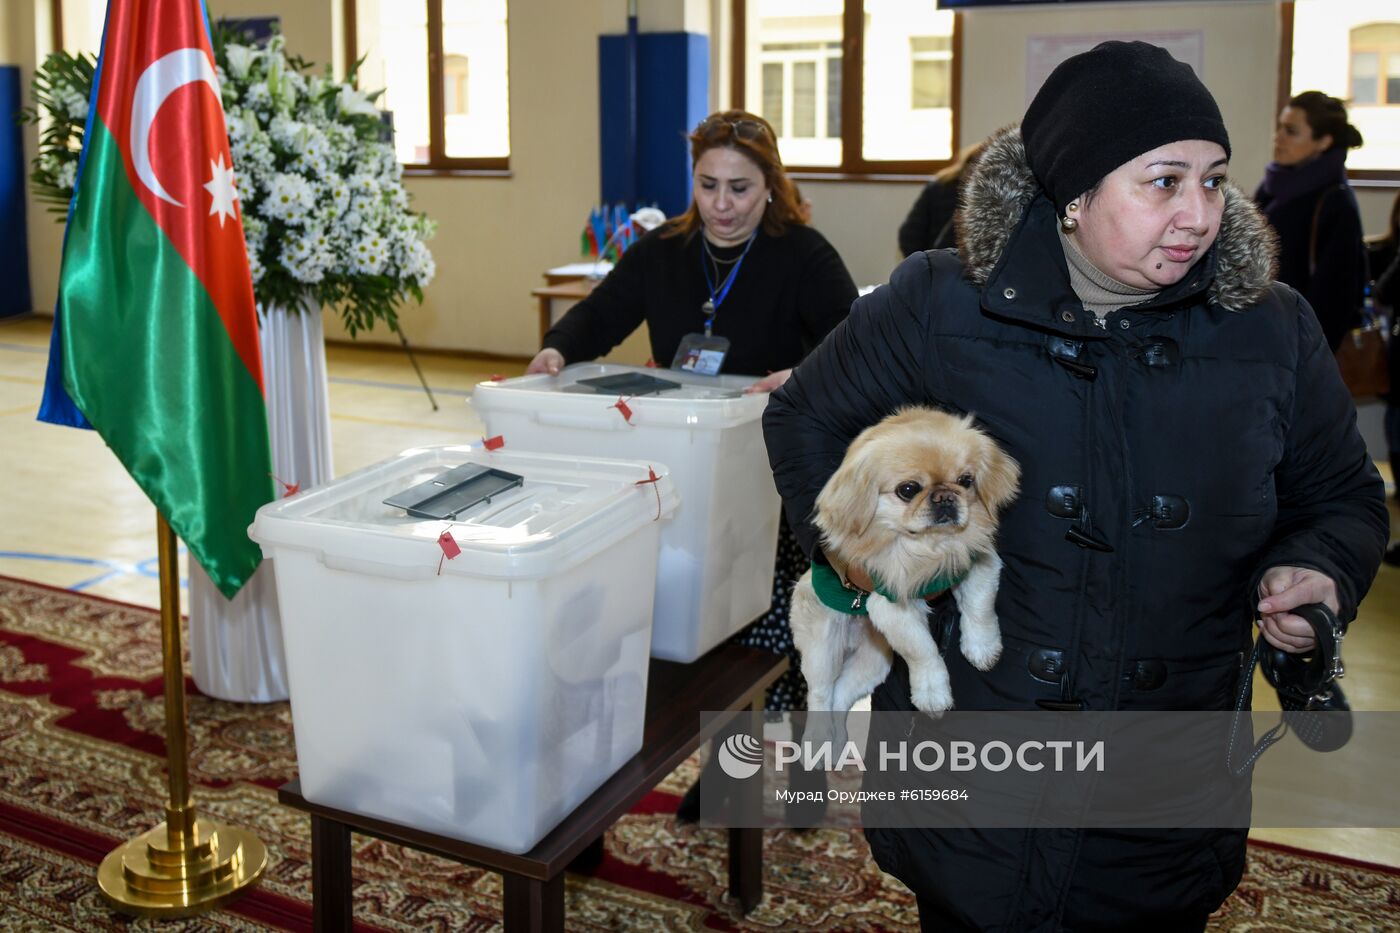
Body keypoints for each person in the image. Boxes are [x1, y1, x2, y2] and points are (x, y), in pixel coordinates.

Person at [764, 42, 1387, 931]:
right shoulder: (940, 304)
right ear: (1075, 195)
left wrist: (1320, 568)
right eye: (1164, 182)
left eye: (1214, 181)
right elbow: (803, 419)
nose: (1200, 213)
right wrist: (861, 560)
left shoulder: (1272, 330)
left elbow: (1343, 498)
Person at [526, 109, 860, 817]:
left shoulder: (804, 254)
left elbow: (850, 347)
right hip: (687, 471)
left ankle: (803, 779)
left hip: (776, 475)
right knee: (707, 632)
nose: (722, 204)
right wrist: (558, 348)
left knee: (782, 634)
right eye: (708, 186)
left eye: (740, 187)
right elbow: (600, 313)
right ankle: (727, 778)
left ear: (771, 184)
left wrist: (798, 372)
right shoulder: (661, 251)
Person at [1254, 91, 1368, 352]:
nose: (1278, 137)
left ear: (1323, 141)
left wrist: (1308, 358)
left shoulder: (1335, 202)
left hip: (1297, 346)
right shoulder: (1273, 186)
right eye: (1280, 127)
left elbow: (1335, 299)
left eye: (1291, 131)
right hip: (1260, 331)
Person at [897, 141, 986, 257]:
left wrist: (924, 265)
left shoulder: (939, 185)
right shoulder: (993, 191)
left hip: (933, 265)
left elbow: (909, 236)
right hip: (969, 269)